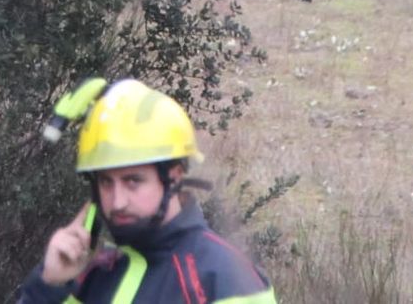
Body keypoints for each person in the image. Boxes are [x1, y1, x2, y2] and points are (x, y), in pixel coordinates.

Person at [17, 79, 277, 304]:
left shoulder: (225, 277)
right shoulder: (89, 275)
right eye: (106, 182)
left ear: (173, 176)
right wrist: (48, 286)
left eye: (133, 181)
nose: (117, 202)